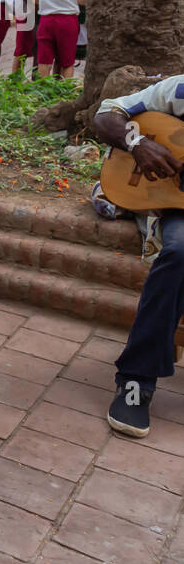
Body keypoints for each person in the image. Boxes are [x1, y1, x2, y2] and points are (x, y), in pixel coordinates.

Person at [92, 74, 184, 438]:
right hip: (178, 210)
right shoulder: (178, 91)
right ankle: (136, 380)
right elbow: (106, 113)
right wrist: (138, 142)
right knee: (178, 253)